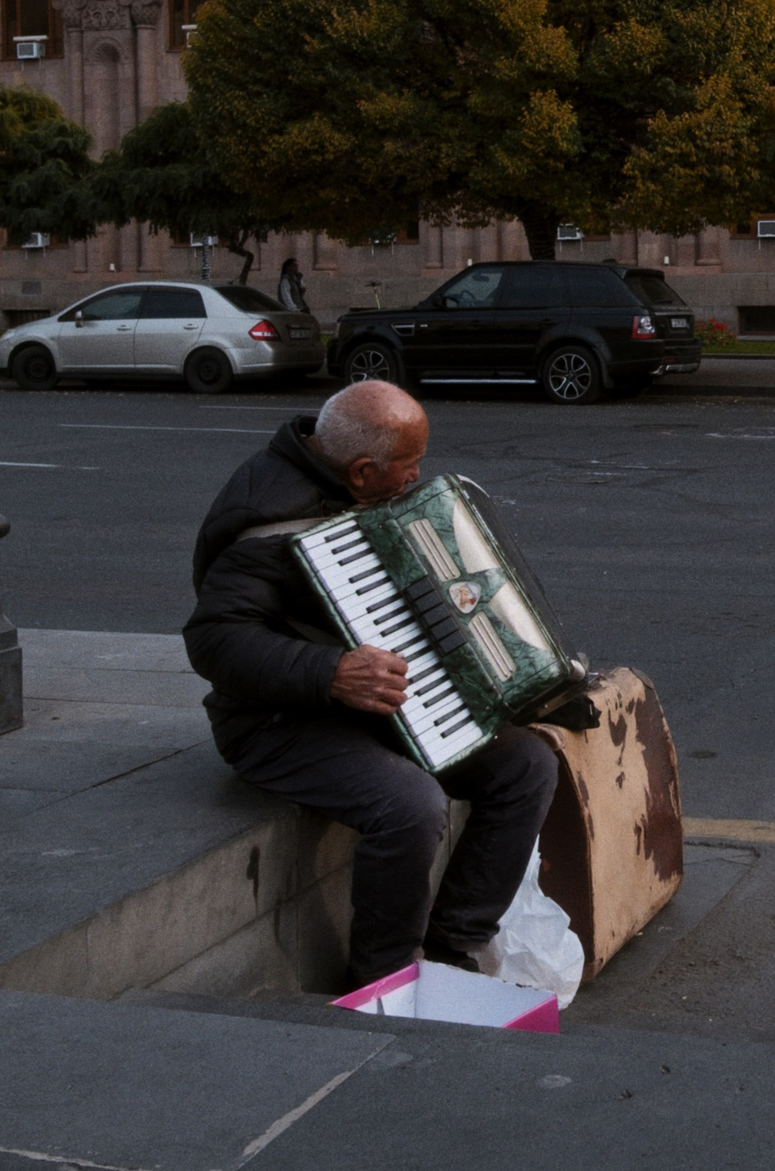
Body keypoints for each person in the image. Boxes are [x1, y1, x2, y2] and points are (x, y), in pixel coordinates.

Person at [183, 380, 559, 990]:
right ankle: (382, 980)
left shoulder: (359, 488)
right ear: (361, 472)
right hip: (278, 722)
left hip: (382, 705)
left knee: (528, 764)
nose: (417, 478)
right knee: (410, 804)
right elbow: (215, 640)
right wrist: (329, 672)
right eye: (408, 467)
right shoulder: (263, 521)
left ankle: (454, 946)